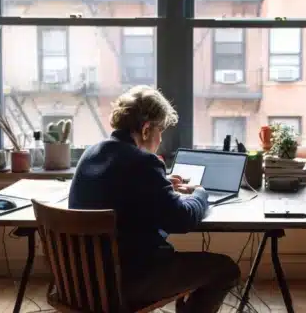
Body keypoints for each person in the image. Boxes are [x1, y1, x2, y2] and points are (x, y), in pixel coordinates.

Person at [69, 85, 241, 312]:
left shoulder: (91, 153)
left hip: (82, 281)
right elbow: (181, 219)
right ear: (146, 129)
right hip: (128, 282)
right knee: (226, 269)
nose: (160, 139)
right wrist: (200, 193)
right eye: (160, 130)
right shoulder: (143, 163)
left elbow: (121, 188)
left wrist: (162, 183)